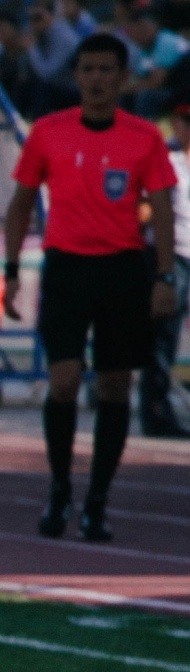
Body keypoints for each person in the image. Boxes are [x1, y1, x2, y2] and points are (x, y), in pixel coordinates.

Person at [3, 32, 177, 540]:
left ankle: (97, 500)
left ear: (123, 78)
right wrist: (11, 271)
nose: (97, 79)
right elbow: (21, 202)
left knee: (114, 385)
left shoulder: (144, 137)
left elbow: (162, 209)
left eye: (106, 70)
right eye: (88, 69)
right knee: (63, 381)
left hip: (122, 269)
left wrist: (165, 274)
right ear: (76, 75)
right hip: (66, 268)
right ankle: (60, 488)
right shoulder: (47, 132)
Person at [144, 104, 190, 437]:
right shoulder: (167, 161)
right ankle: (156, 410)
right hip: (170, 255)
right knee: (162, 336)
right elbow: (146, 208)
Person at [120, 3, 188, 116]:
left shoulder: (166, 41)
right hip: (171, 90)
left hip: (183, 91)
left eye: (143, 28)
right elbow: (138, 77)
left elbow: (156, 82)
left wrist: (126, 88)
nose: (136, 34)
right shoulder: (145, 50)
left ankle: (146, 126)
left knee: (146, 96)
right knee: (125, 96)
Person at [27, 2, 82, 114]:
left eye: (38, 18)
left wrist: (31, 47)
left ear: (51, 16)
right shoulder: (42, 35)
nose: (34, 24)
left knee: (43, 88)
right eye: (31, 19)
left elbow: (47, 73)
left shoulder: (63, 36)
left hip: (79, 90)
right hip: (62, 88)